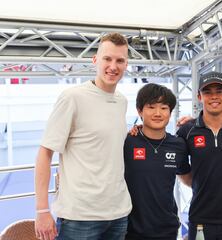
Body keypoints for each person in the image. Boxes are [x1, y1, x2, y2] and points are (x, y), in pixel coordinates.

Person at [34, 32, 132, 240]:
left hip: (118, 213)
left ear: (126, 65)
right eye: (107, 58)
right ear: (95, 60)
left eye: (119, 60)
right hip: (79, 217)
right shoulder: (72, 98)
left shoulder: (122, 101)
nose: (113, 66)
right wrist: (42, 210)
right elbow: (45, 153)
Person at [177, 71, 222, 240]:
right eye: (207, 92)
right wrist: (202, 185)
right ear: (199, 97)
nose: (214, 97)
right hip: (201, 218)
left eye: (219, 91)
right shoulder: (187, 131)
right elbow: (181, 170)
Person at [124, 83, 191, 240]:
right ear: (140, 111)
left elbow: (188, 177)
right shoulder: (127, 142)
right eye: (151, 107)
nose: (158, 113)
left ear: (170, 112)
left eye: (164, 108)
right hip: (130, 230)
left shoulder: (178, 145)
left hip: (166, 228)